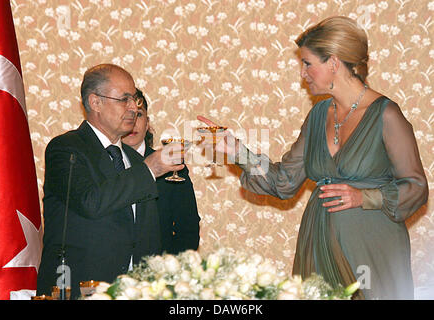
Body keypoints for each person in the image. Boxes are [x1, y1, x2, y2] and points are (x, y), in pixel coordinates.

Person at [197, 16, 428, 299]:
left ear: (333, 63)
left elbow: (416, 188)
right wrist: (238, 153)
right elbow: (284, 182)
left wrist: (364, 197)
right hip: (318, 246)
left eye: (307, 64)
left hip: (372, 249)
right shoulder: (318, 116)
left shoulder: (386, 115)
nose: (303, 74)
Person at [36, 64, 184, 299]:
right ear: (95, 102)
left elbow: (149, 237)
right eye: (124, 99)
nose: (134, 108)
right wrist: (150, 169)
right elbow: (90, 202)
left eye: (135, 100)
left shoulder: (136, 160)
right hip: (77, 290)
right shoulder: (66, 149)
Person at [122, 89, 200, 254]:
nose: (133, 122)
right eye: (127, 115)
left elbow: (188, 229)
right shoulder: (103, 164)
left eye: (139, 115)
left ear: (148, 122)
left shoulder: (172, 166)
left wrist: (168, 271)